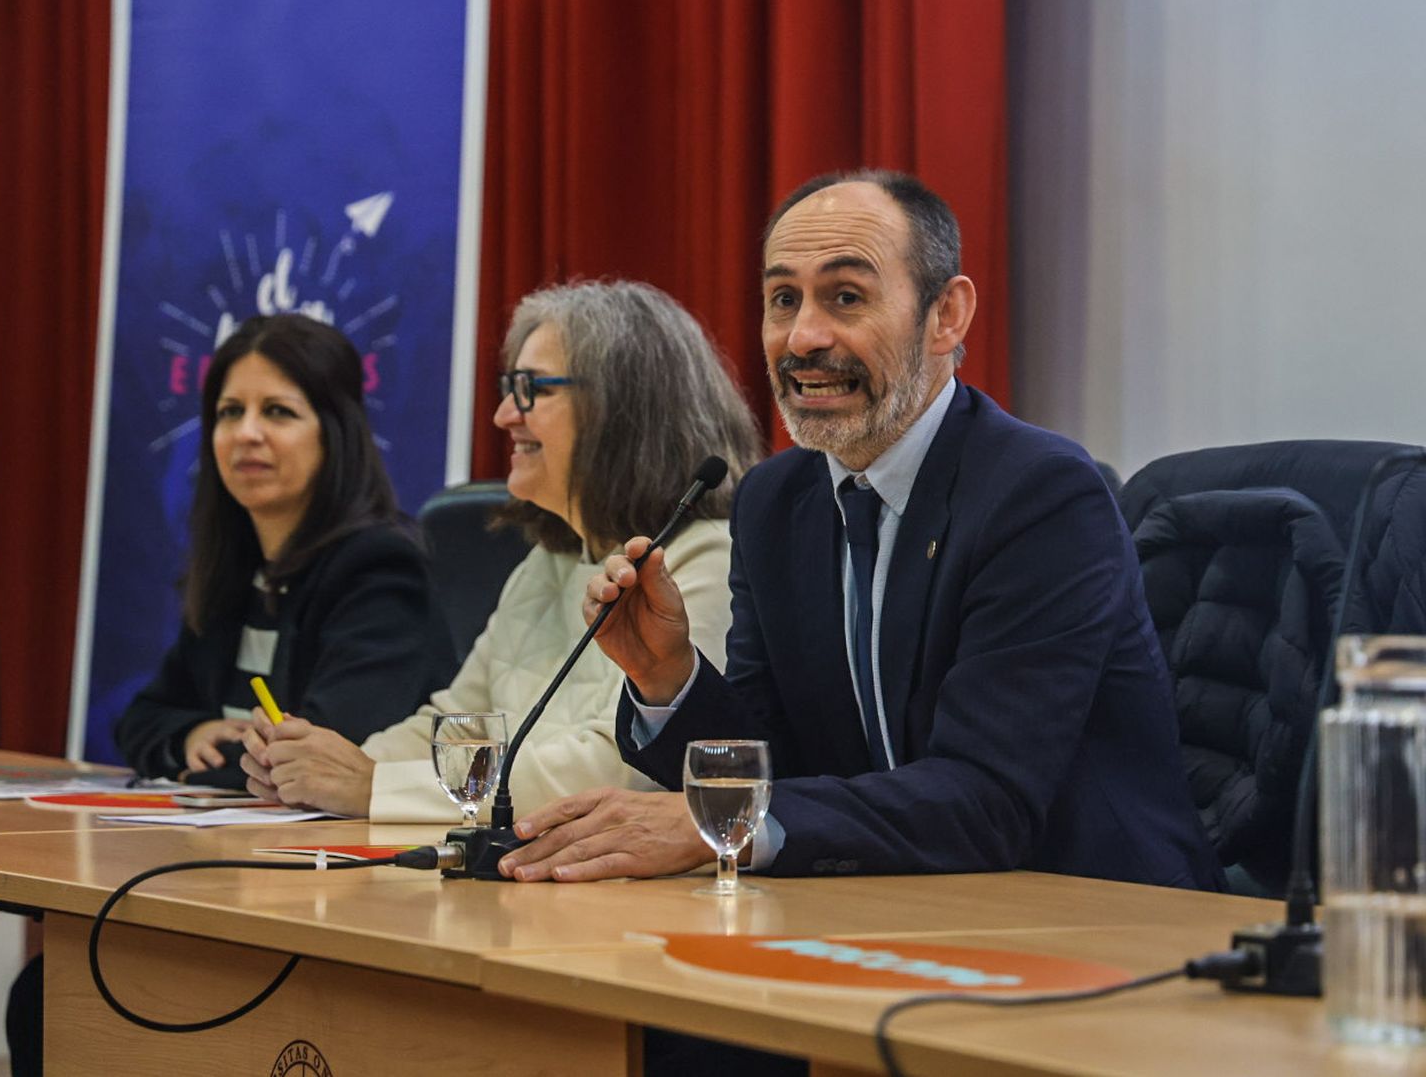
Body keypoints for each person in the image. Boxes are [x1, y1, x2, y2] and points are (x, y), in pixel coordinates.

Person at [497, 170, 1223, 890]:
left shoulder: (1040, 495)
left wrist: (717, 822)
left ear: (946, 316)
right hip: (889, 902)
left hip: (1095, 911)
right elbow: (777, 760)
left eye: (846, 297)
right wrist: (668, 678)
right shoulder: (775, 501)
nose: (803, 337)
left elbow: (989, 798)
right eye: (783, 299)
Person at [240, 279, 765, 820]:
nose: (504, 415)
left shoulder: (708, 559)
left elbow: (621, 770)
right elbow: (456, 726)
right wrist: (317, 771)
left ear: (623, 405)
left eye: (531, 389)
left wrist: (372, 787)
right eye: (509, 387)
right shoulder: (549, 561)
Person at [113, 313, 455, 787]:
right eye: (230, 412)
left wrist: (208, 762)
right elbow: (140, 718)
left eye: (277, 411)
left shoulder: (380, 568)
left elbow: (320, 755)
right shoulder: (237, 565)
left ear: (334, 433)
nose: (246, 433)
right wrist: (191, 735)